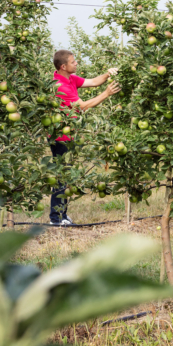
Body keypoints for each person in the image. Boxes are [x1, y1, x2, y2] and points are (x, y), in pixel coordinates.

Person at [49, 49, 120, 226]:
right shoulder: (60, 86)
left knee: (66, 177)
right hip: (60, 137)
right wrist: (107, 94)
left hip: (69, 134)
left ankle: (62, 216)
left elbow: (94, 82)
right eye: (74, 62)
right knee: (62, 177)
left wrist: (107, 73)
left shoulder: (70, 78)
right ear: (63, 66)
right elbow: (82, 106)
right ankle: (55, 218)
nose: (77, 63)